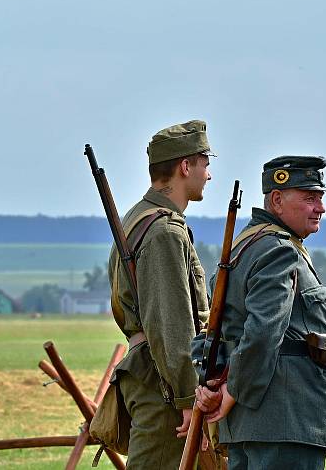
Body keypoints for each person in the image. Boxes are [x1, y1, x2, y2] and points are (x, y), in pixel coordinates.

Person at [190, 156, 326, 470]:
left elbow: (211, 336)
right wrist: (232, 390)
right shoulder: (278, 251)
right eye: (309, 198)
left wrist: (214, 387)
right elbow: (263, 332)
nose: (321, 208)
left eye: (320, 198)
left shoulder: (242, 248)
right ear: (277, 200)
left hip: (254, 421)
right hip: (285, 420)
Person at [107, 120, 214, 469]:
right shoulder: (165, 230)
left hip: (153, 376)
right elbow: (171, 324)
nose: (208, 175)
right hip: (163, 386)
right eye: (204, 163)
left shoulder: (138, 218)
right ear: (186, 166)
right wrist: (187, 397)